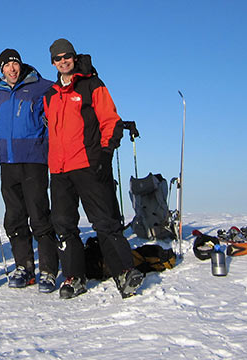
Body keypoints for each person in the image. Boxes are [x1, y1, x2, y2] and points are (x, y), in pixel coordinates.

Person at [43, 38, 144, 299]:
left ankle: (124, 271)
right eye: (57, 58)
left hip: (89, 164)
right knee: (64, 225)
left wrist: (105, 154)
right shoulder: (50, 95)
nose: (63, 61)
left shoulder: (92, 85)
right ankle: (74, 277)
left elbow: (110, 119)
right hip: (60, 169)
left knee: (105, 221)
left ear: (74, 58)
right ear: (53, 62)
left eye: (67, 56)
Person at [0, 49, 59, 293]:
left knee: (39, 215)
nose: (12, 69)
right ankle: (24, 267)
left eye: (15, 64)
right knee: (14, 217)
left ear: (21, 65)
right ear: (1, 69)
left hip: (34, 160)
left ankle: (49, 270)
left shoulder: (42, 87)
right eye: (7, 65)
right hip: (7, 161)